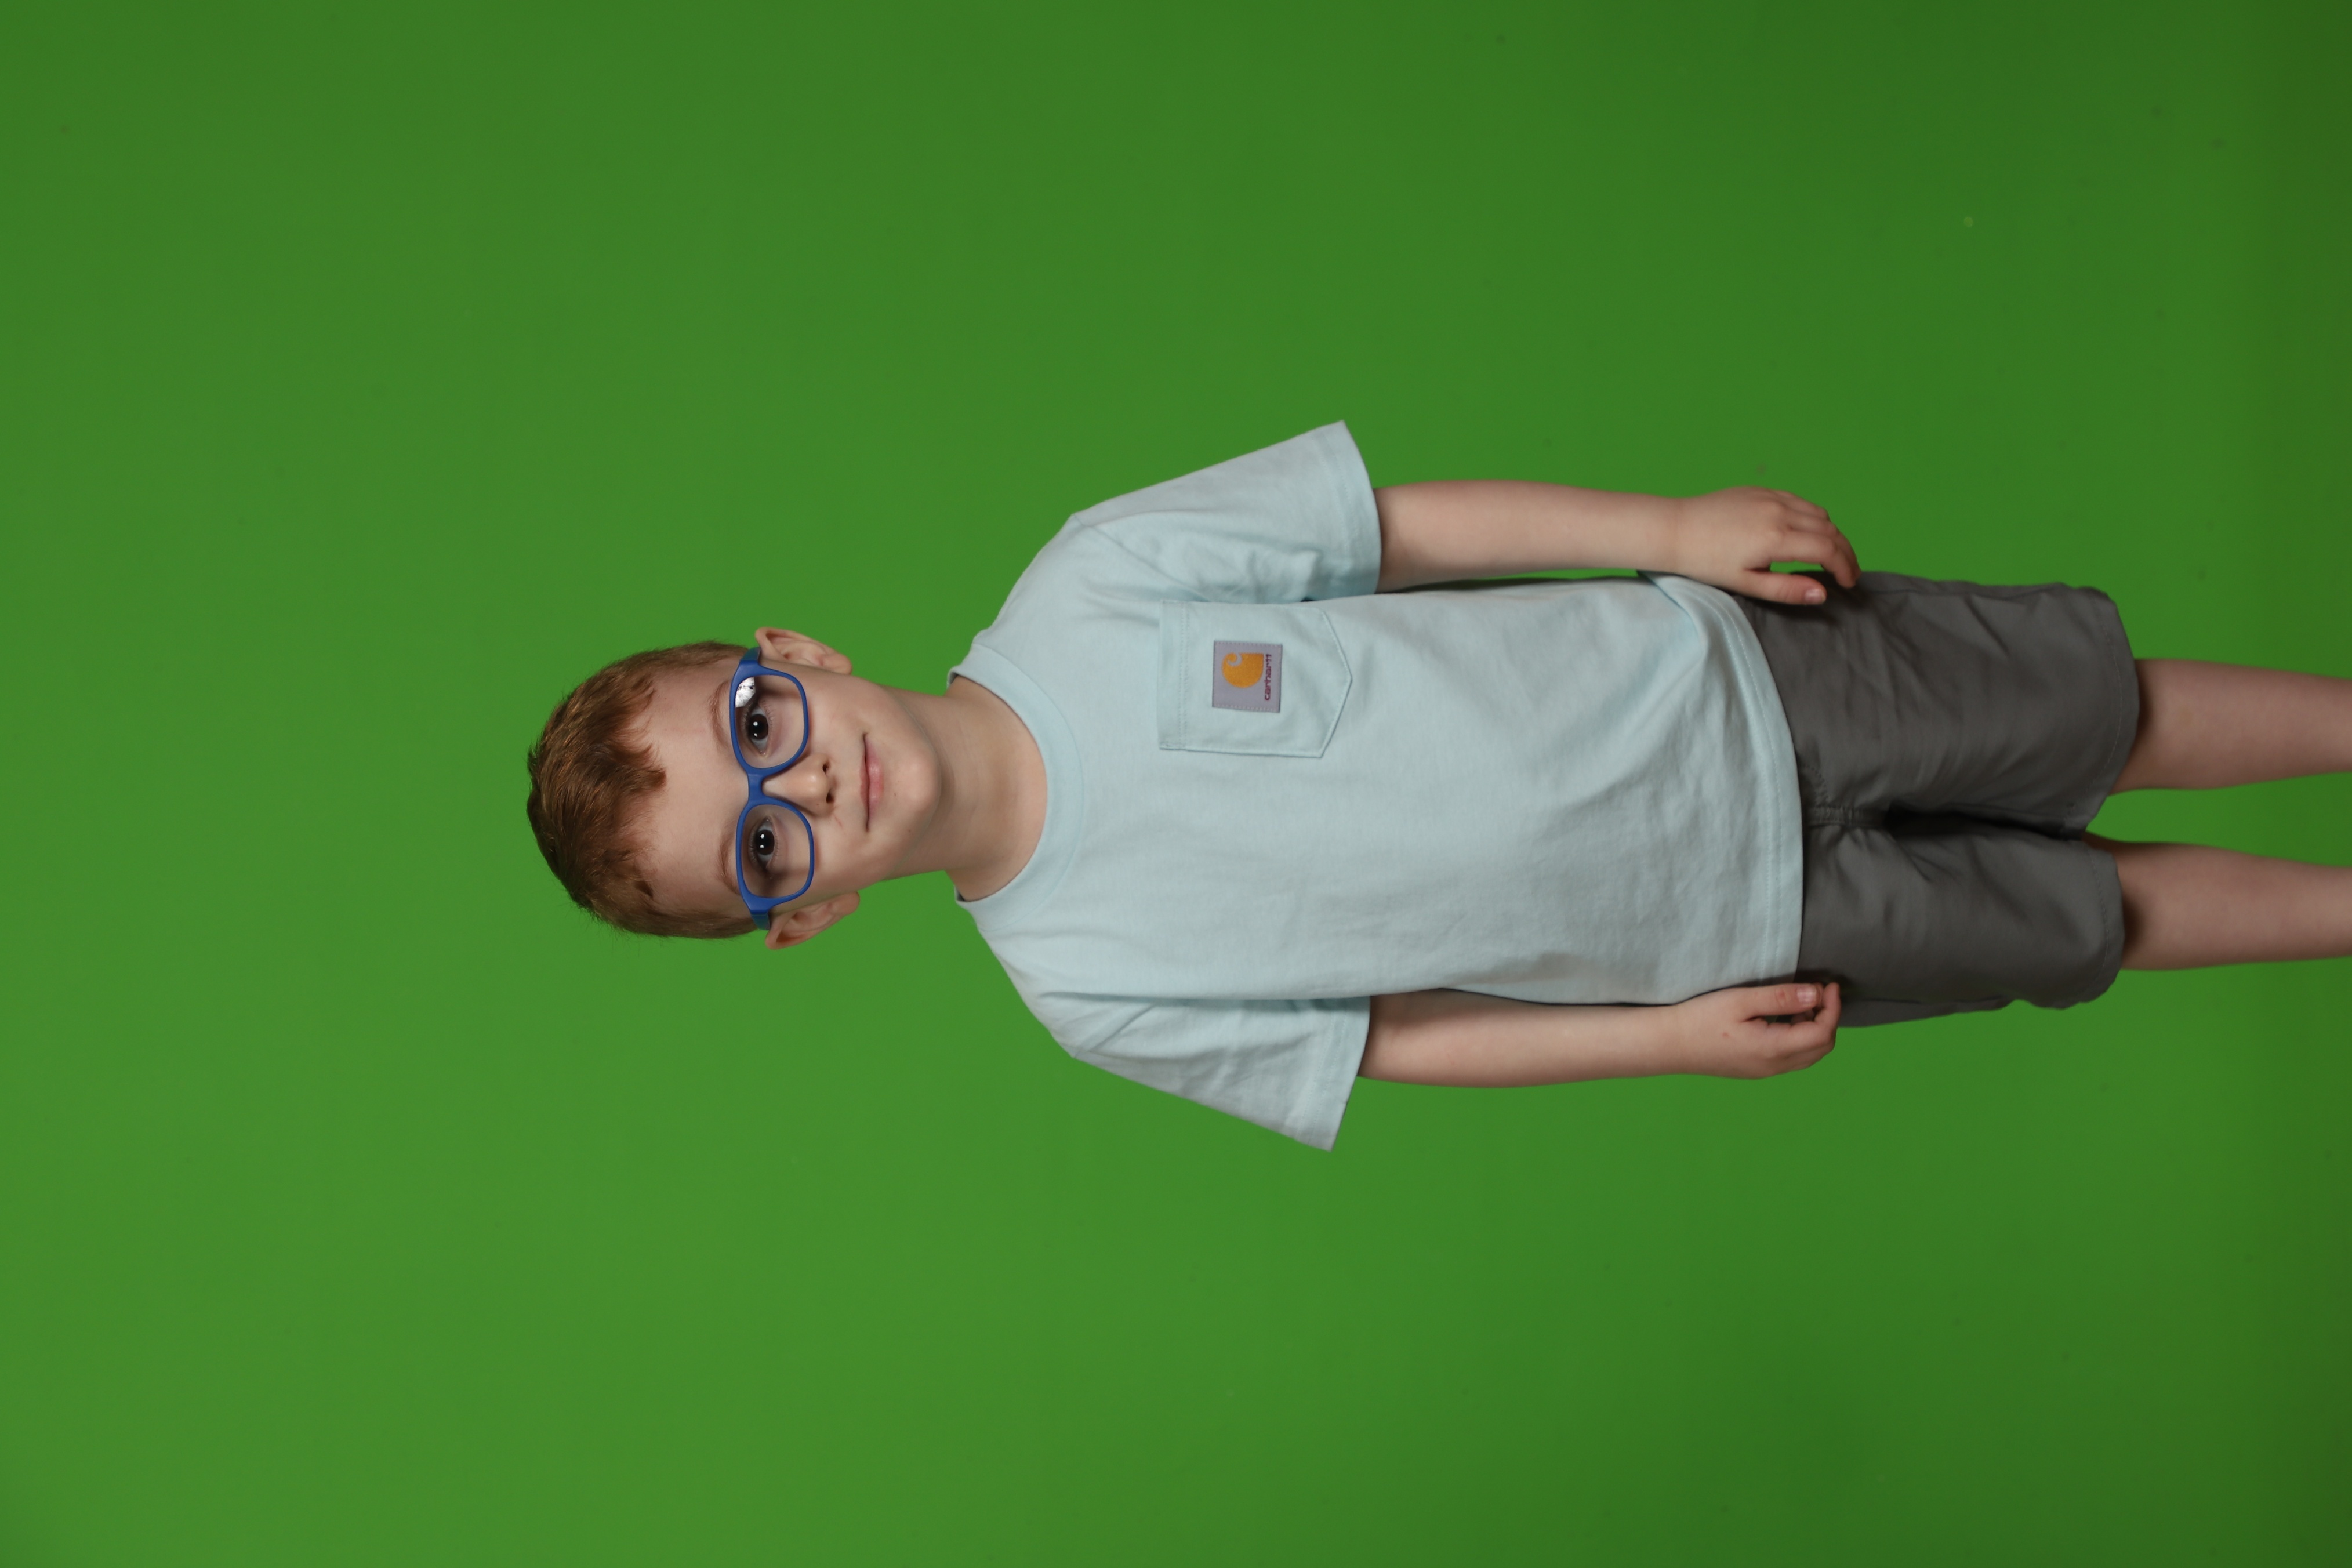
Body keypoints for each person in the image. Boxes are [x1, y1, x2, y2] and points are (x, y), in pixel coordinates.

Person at [525, 424, 2352, 1148]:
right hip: (1733, 927)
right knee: (2090, 917)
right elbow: (1391, 1041)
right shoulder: (1085, 988)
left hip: (1733, 675)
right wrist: (1662, 1038)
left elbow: (1390, 531)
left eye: (757, 722)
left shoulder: (1092, 581)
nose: (807, 783)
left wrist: (1668, 530)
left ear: (798, 655)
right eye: (765, 848)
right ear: (810, 913)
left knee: (2100, 715)